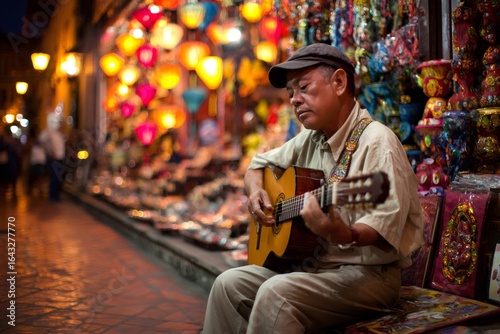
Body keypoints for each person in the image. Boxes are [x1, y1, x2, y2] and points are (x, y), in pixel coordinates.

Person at [202, 43, 424, 333]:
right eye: (291, 93)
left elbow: (384, 231)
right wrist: (256, 191)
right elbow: (256, 166)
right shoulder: (311, 138)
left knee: (277, 293)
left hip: (369, 277)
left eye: (303, 87)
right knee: (227, 284)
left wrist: (341, 232)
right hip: (314, 269)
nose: (295, 100)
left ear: (339, 82)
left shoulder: (378, 142)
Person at [39, 112, 66, 202]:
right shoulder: (48, 131)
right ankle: (53, 197)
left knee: (59, 178)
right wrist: (50, 151)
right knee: (55, 177)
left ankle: (55, 196)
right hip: (54, 159)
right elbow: (42, 142)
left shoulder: (58, 133)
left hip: (60, 158)